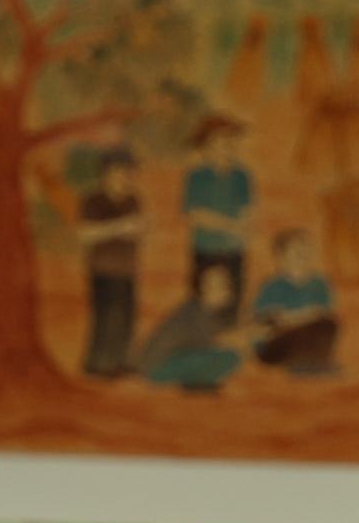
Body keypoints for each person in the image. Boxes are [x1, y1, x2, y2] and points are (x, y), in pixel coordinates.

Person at [78, 147, 145, 377]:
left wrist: (138, 229)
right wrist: (120, 227)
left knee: (127, 316)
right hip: (103, 269)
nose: (125, 176)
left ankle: (121, 361)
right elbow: (86, 234)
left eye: (128, 172)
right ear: (106, 173)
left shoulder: (132, 199)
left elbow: (138, 230)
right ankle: (98, 364)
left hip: (127, 268)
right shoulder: (93, 200)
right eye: (119, 171)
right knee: (106, 317)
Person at [138, 255, 247, 394]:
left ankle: (195, 382)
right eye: (217, 286)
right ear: (201, 287)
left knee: (229, 354)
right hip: (157, 368)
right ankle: (195, 383)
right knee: (230, 357)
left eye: (226, 284)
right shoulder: (196, 311)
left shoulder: (203, 310)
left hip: (166, 362)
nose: (225, 290)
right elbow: (220, 340)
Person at [184, 113, 257, 311]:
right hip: (206, 250)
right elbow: (196, 216)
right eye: (221, 140)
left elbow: (247, 212)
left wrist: (244, 229)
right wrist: (232, 227)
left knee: (233, 303)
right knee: (202, 305)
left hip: (233, 252)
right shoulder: (197, 176)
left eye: (231, 140)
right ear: (206, 146)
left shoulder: (241, 176)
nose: (228, 146)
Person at [250, 228, 340, 377]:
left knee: (329, 325)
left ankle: (317, 362)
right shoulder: (271, 286)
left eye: (307, 253)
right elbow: (266, 322)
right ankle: (302, 364)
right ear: (280, 258)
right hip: (275, 346)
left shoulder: (319, 284)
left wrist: (298, 318)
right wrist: (301, 318)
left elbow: (324, 313)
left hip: (306, 337)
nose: (303, 258)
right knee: (282, 328)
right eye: (297, 253)